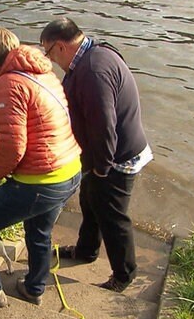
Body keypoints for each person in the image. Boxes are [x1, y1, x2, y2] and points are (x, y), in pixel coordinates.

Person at [0, 26, 82, 313]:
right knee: (39, 231)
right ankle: (34, 288)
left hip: (42, 181)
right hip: (70, 170)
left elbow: (13, 147)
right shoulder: (43, 73)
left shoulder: (8, 84)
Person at [39, 17, 152, 292]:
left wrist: (102, 168)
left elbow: (104, 125)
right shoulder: (93, 55)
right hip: (101, 156)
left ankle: (124, 275)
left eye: (48, 53)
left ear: (60, 46)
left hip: (116, 159)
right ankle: (86, 250)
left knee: (113, 215)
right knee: (90, 201)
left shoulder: (93, 71)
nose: (50, 60)